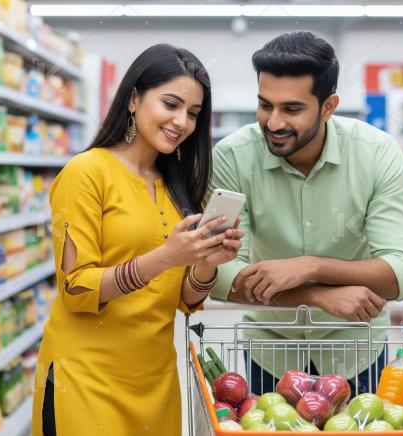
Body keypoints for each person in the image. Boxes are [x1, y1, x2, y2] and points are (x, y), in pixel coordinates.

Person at [32, 44, 245, 435]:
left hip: (156, 384)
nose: (182, 121)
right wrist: (164, 257)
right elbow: (76, 289)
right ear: (133, 98)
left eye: (193, 113)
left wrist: (207, 261)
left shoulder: (175, 187)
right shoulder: (86, 172)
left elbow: (183, 299)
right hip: (86, 383)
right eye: (170, 104)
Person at [209, 31, 403, 396]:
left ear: (328, 106)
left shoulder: (376, 154)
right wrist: (317, 295)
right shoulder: (232, 157)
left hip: (357, 355)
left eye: (291, 109)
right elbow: (218, 274)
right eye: (265, 105)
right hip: (270, 357)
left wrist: (310, 266)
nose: (273, 123)